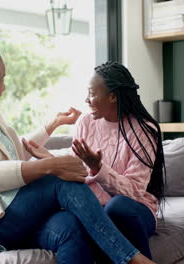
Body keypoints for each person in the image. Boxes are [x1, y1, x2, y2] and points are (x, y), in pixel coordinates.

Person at [0, 43, 155, 264]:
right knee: (60, 181)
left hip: (7, 213)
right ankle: (131, 258)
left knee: (71, 226)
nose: (3, 87)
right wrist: (51, 166)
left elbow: (16, 153)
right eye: (0, 79)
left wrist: (53, 125)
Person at [72, 61, 166, 261]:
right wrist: (49, 162)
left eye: (91, 93)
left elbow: (134, 191)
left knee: (117, 208)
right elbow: (75, 173)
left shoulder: (143, 130)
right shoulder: (85, 123)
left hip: (134, 209)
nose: (86, 100)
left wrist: (97, 167)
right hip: (95, 210)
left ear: (112, 96)